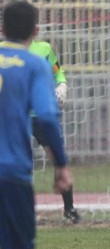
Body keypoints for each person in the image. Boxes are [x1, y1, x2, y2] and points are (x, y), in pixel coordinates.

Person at [0, 0, 73, 249]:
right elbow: (45, 117)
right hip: (10, 171)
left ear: (2, 29)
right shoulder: (34, 64)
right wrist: (61, 166)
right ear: (35, 30)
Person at [29, 39, 80, 224]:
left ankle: (69, 209)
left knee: (58, 159)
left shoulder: (44, 49)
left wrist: (62, 85)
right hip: (17, 116)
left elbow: (58, 73)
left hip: (41, 115)